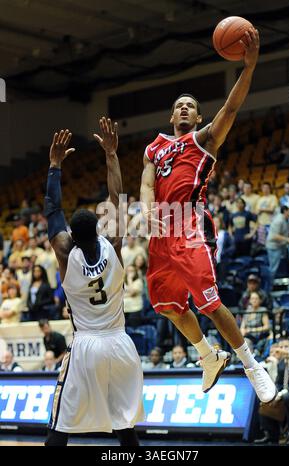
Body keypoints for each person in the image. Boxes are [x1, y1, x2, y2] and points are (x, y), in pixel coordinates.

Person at [140, 27, 276, 402]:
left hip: (190, 225)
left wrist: (247, 68)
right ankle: (207, 355)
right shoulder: (155, 147)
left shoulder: (203, 140)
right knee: (167, 307)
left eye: (190, 106)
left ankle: (251, 364)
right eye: (179, 105)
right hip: (161, 232)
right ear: (171, 116)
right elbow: (147, 183)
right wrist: (147, 211)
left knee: (210, 304)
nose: (183, 108)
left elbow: (232, 107)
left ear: (198, 118)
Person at [43, 122, 144, 447]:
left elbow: (53, 209)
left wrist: (55, 166)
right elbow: (117, 196)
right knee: (124, 425)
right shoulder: (112, 243)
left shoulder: (63, 252)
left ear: (71, 237)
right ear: (97, 230)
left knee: (59, 427)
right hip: (120, 343)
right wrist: (111, 155)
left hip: (87, 345)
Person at [266, 205, 289, 284]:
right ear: (285, 211)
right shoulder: (279, 220)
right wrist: (288, 239)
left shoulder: (287, 219)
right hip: (274, 247)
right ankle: (269, 287)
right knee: (273, 268)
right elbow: (274, 236)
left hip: (283, 245)